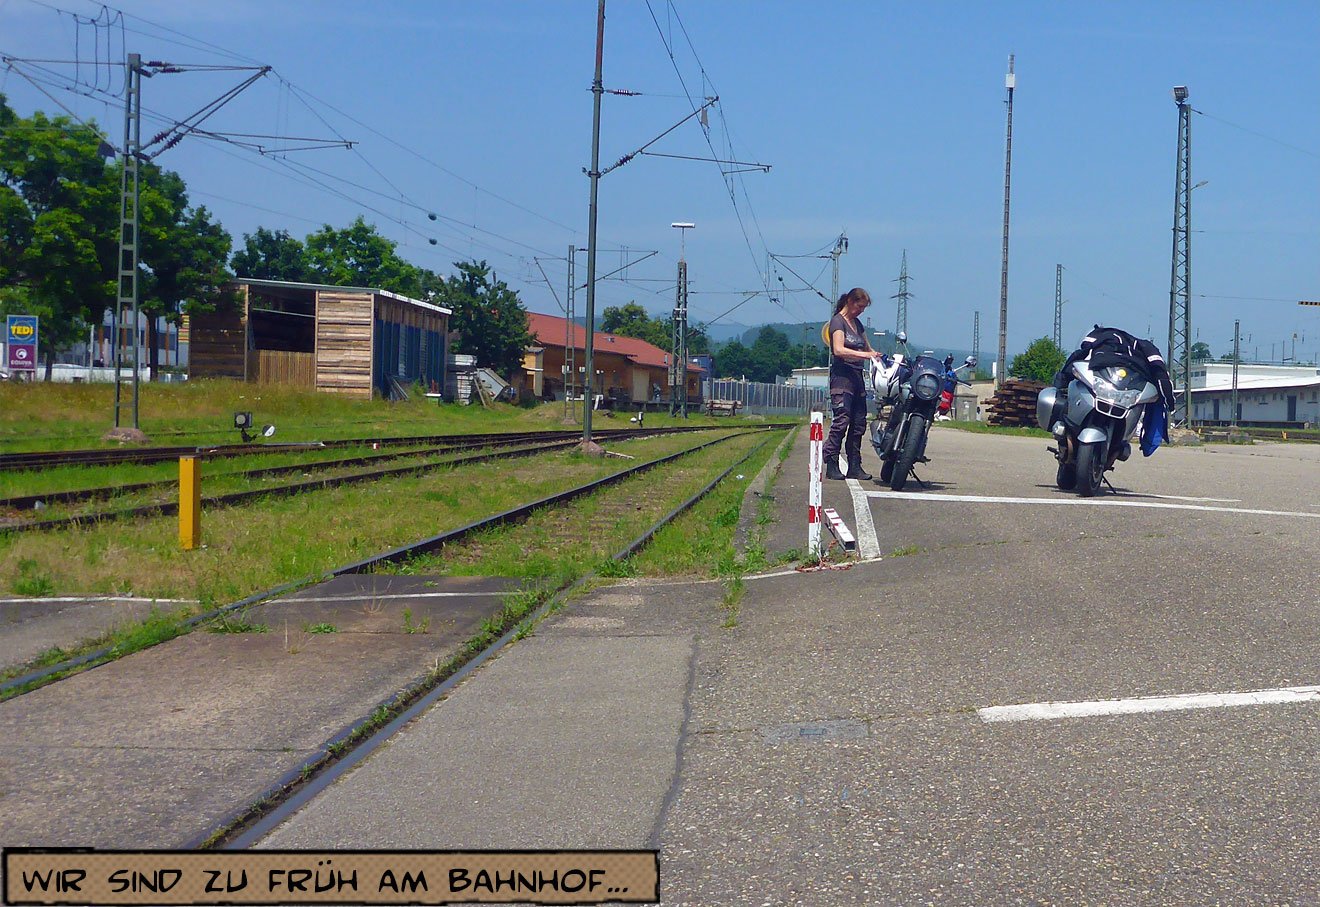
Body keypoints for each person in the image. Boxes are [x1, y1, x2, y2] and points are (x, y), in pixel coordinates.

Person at [823, 287, 884, 480]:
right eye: (859, 307)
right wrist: (865, 355)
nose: (861, 311)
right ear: (849, 302)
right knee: (842, 420)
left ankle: (854, 465)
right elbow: (839, 350)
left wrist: (876, 356)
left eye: (864, 308)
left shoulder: (857, 324)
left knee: (858, 423)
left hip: (857, 377)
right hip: (842, 377)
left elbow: (868, 348)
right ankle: (831, 462)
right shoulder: (837, 322)